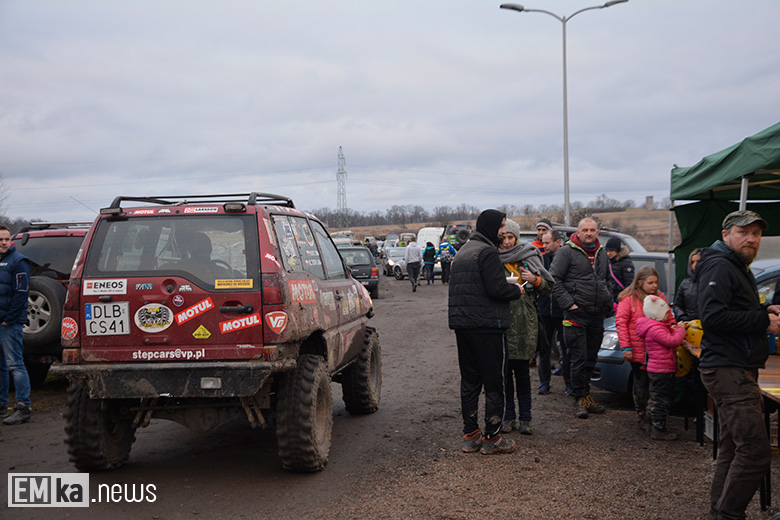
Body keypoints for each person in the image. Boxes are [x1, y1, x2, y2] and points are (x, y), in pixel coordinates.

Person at [696, 210, 780, 520]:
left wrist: (763, 308)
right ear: (726, 235)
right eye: (744, 232)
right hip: (728, 368)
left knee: (733, 447)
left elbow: (731, 308)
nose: (751, 238)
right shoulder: (720, 264)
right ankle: (728, 515)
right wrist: (762, 320)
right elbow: (714, 317)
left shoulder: (736, 266)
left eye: (756, 234)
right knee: (755, 451)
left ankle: (720, 511)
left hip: (735, 366)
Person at [448, 209, 523, 455]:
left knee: (469, 382)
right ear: (491, 226)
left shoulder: (462, 253)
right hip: (488, 328)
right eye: (502, 226)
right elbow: (496, 289)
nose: (504, 231)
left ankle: (471, 436)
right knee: (494, 383)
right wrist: (517, 291)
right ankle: (492, 438)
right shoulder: (487, 252)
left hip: (463, 327)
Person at [549, 217, 612, 419]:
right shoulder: (566, 252)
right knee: (578, 358)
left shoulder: (602, 252)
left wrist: (608, 300)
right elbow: (553, 280)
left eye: (592, 230)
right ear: (578, 231)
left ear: (597, 232)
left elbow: (606, 280)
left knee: (591, 357)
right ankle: (578, 399)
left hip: (597, 314)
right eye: (585, 230)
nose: (589, 233)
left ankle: (586, 396)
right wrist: (570, 304)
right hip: (576, 314)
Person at [498, 219, 553, 435]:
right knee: (504, 376)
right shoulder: (493, 259)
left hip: (524, 324)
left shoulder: (528, 257)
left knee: (522, 373)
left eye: (511, 237)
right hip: (502, 323)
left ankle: (526, 419)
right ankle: (508, 417)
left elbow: (549, 285)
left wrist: (535, 280)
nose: (507, 242)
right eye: (503, 238)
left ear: (517, 238)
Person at [615, 266, 675, 429]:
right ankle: (642, 416)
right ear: (640, 283)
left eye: (655, 282)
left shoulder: (660, 297)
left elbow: (668, 317)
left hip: (657, 349)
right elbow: (621, 324)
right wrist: (626, 347)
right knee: (641, 383)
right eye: (650, 283)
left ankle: (653, 417)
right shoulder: (629, 299)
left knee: (656, 385)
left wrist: (674, 330)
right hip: (638, 349)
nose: (654, 286)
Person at [636, 294, 686, 440]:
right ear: (657, 315)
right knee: (661, 400)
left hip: (657, 369)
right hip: (661, 370)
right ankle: (659, 429)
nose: (667, 316)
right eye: (665, 314)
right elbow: (673, 341)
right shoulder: (656, 329)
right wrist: (680, 330)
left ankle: (652, 425)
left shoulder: (655, 326)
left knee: (655, 398)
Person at [0, 224, 32, 425]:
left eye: (6, 239)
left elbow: (21, 295)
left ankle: (23, 406)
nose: (3, 242)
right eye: (0, 240)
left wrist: (9, 319)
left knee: (15, 365)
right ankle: (2, 406)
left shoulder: (19, 262)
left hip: (10, 324)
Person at [538, 229, 570, 395]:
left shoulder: (566, 259)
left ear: (558, 242)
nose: (544, 246)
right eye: (543, 242)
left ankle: (569, 384)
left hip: (562, 311)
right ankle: (544, 383)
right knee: (544, 349)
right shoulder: (540, 260)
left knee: (566, 348)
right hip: (544, 311)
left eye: (547, 242)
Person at [672, 248, 702, 321]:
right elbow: (677, 306)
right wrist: (683, 317)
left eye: (698, 261)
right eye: (692, 262)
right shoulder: (685, 283)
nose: (695, 265)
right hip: (689, 325)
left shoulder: (712, 282)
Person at [605, 237, 635, 307]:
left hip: (620, 301)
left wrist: (621, 300)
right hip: (610, 300)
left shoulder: (626, 263)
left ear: (618, 250)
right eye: (607, 251)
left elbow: (629, 284)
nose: (608, 253)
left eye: (611, 251)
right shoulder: (609, 261)